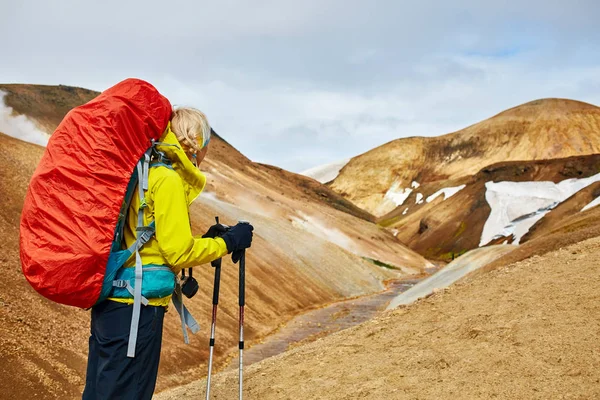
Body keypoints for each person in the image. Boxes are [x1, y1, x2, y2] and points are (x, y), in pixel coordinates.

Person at [82, 107, 254, 400]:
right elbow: (177, 253)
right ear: (197, 142)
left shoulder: (144, 172)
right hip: (137, 309)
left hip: (113, 302)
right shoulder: (168, 179)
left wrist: (207, 240)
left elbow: (147, 239)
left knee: (101, 392)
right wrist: (229, 243)